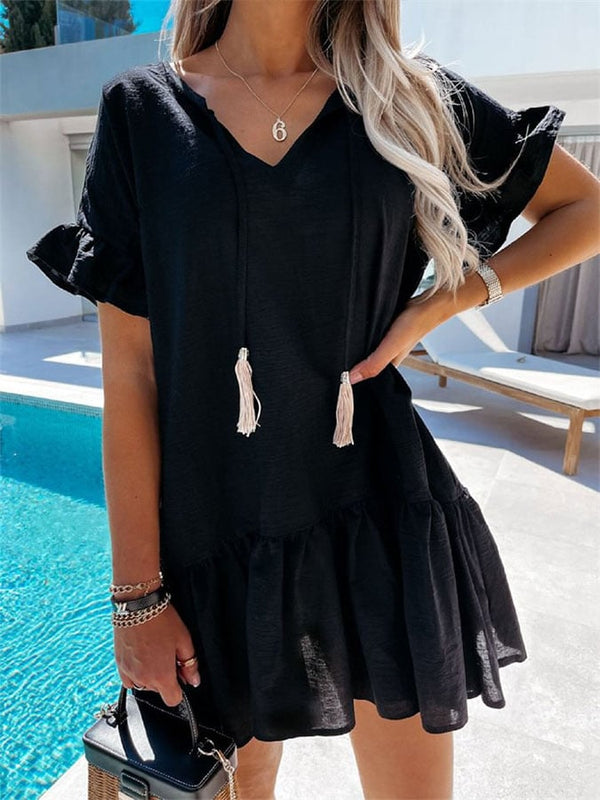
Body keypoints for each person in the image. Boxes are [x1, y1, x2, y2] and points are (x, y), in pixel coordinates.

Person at [25, 1, 600, 798]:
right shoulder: (142, 114)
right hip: (215, 529)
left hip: (375, 507)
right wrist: (136, 599)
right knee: (237, 780)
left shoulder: (406, 98)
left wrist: (439, 304)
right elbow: (130, 375)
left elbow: (585, 209)